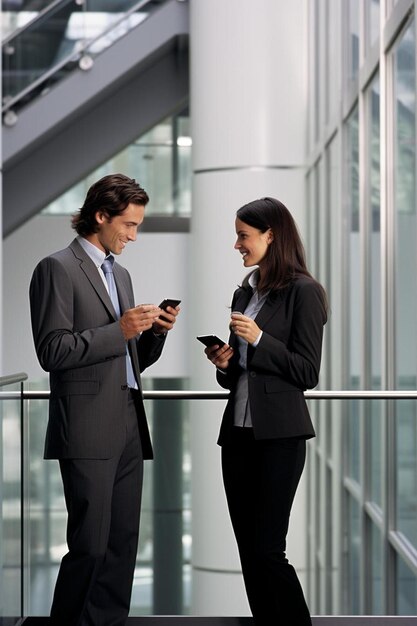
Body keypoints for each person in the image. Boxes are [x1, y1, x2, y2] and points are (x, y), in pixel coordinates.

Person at [29, 173, 180, 626]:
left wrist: (152, 335)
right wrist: (120, 330)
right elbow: (52, 351)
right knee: (90, 546)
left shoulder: (123, 275)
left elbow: (129, 359)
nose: (134, 236)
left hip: (129, 426)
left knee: (121, 546)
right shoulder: (57, 268)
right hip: (88, 428)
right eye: (129, 225)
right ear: (100, 216)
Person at [202, 196, 327, 625]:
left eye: (243, 235)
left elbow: (307, 371)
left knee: (268, 549)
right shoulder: (245, 291)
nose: (237, 244)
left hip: (279, 439)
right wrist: (227, 363)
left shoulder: (305, 293)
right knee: (248, 551)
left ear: (271, 236)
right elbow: (241, 374)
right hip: (236, 439)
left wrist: (258, 339)